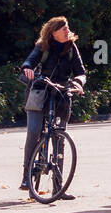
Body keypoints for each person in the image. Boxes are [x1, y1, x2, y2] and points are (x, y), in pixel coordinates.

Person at [19, 16, 86, 198]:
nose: (67, 31)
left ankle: (58, 187)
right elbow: (29, 61)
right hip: (40, 92)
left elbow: (80, 72)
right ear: (53, 32)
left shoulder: (71, 48)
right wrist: (28, 69)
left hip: (61, 94)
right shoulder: (43, 46)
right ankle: (27, 176)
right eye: (63, 29)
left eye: (67, 28)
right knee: (33, 132)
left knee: (59, 137)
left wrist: (79, 83)